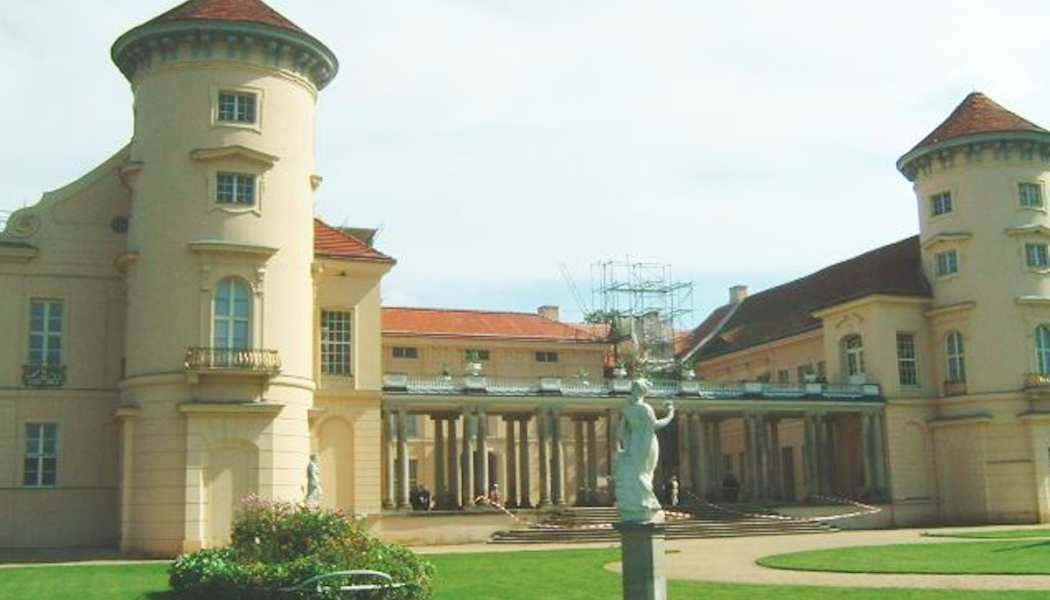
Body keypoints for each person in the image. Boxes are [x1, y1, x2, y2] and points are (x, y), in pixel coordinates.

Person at [614, 378, 675, 523]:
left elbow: (621, 433)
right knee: (646, 472)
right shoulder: (645, 408)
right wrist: (670, 414)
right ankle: (647, 502)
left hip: (634, 442)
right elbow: (654, 425)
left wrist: (624, 447)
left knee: (638, 472)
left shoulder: (628, 409)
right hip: (647, 442)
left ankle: (638, 503)